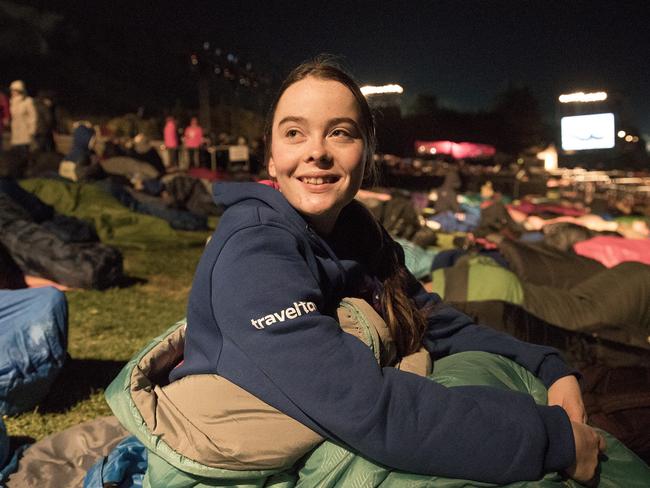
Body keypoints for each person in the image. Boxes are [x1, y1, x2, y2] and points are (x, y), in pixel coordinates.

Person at [169, 57, 605, 484]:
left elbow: (433, 319)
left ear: (367, 152)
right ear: (271, 158)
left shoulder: (357, 230)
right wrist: (553, 442)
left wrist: (547, 364)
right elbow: (366, 408)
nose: (316, 151)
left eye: (340, 133)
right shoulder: (254, 251)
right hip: (230, 468)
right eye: (294, 133)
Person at [8, 80, 37, 160]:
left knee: (24, 155)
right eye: (12, 90)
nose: (12, 92)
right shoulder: (11, 102)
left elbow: (32, 117)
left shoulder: (28, 101)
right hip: (15, 133)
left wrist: (31, 131)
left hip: (25, 133)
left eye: (14, 90)